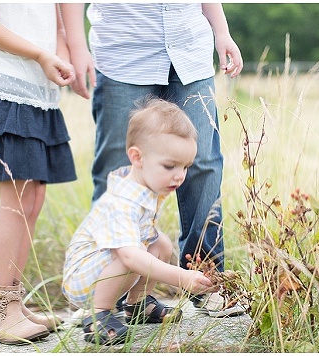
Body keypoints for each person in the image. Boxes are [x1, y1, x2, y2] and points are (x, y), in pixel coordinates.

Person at [61, 3, 245, 317]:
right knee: (117, 166)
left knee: (202, 164)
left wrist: (222, 31)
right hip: (123, 51)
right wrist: (75, 45)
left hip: (190, 50)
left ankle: (206, 282)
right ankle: (103, 302)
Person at [0, 3, 76, 345]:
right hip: (5, 86)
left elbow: (56, 23)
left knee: (33, 199)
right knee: (16, 199)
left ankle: (12, 303)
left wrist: (61, 54)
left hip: (38, 91)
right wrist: (41, 54)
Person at [62, 99, 218, 345]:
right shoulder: (122, 201)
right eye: (170, 166)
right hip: (83, 279)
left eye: (186, 166)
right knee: (131, 257)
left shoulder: (145, 184)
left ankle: (137, 305)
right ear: (137, 157)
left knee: (161, 244)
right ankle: (98, 315)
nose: (180, 175)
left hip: (106, 266)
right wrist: (180, 277)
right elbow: (130, 257)